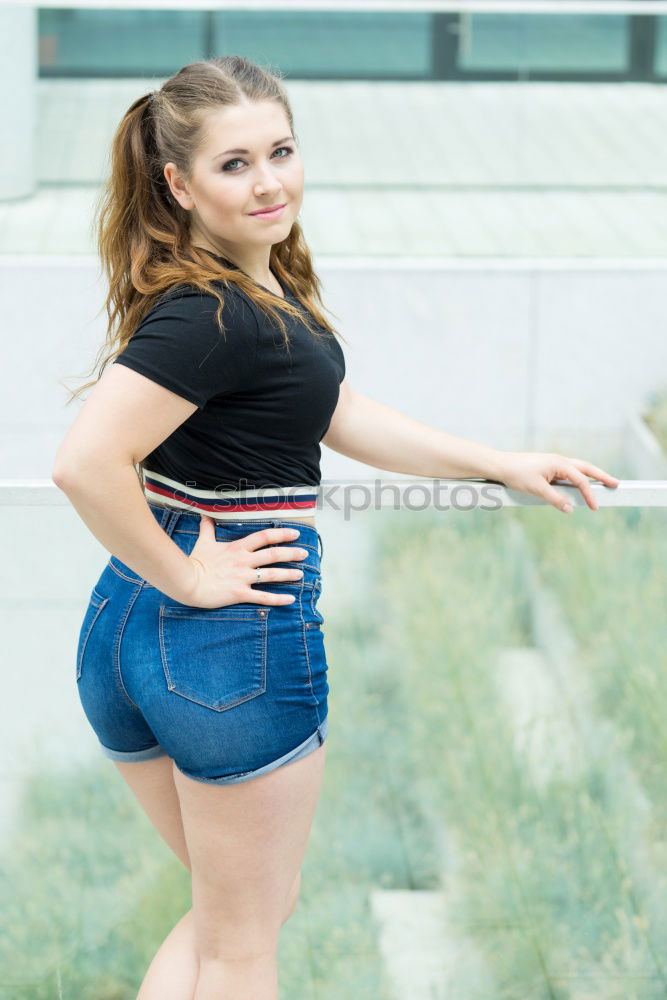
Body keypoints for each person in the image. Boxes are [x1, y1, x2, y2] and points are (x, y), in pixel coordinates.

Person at [51, 55, 620, 1000]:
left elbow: (335, 411)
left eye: (280, 150)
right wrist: (191, 578)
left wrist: (496, 460)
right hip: (223, 640)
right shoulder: (211, 315)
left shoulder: (239, 291)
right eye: (235, 164)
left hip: (130, 636)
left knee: (230, 915)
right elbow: (83, 465)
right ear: (178, 185)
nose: (269, 180)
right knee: (242, 945)